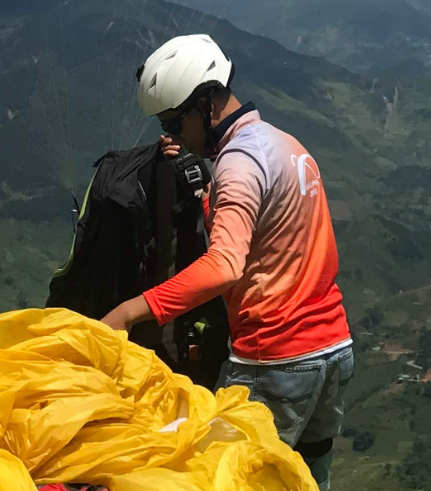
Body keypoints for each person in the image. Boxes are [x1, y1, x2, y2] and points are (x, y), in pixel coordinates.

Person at [101, 35, 353, 490]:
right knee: (306, 477)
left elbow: (223, 266)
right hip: (331, 349)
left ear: (205, 104)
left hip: (275, 358)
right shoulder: (284, 144)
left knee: (221, 479)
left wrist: (129, 311)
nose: (172, 135)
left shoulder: (239, 163)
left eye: (176, 123)